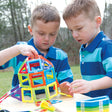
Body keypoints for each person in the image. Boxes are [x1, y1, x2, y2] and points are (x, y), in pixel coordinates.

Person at [0, 4, 73, 95]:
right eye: (41, 33)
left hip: (48, 105)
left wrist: (65, 87)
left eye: (52, 34)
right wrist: (17, 49)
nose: (47, 38)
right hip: (21, 104)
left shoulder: (60, 56)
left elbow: (66, 81)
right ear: (31, 30)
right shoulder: (21, 51)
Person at [63, 0, 112, 102]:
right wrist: (77, 87)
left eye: (79, 28)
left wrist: (90, 85)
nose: (74, 35)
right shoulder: (84, 47)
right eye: (71, 30)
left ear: (97, 21)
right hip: (92, 103)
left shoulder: (106, 46)